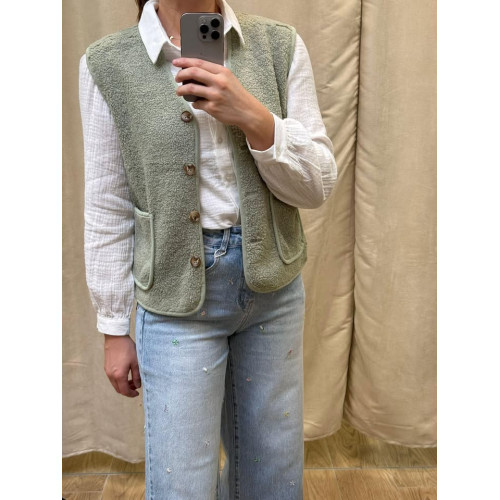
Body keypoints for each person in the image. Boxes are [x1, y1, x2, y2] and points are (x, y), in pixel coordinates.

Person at [79, 0, 337, 498]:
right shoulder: (107, 64)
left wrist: (254, 117)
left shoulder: (278, 46)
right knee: (182, 485)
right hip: (176, 299)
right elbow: (107, 202)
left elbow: (317, 185)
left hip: (273, 293)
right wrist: (113, 326)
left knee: (271, 478)